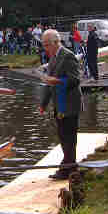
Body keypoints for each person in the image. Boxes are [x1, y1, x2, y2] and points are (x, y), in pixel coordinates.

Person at [39, 29, 82, 180]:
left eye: (47, 45)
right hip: (59, 104)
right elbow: (49, 85)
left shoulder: (68, 56)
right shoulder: (52, 59)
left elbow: (75, 80)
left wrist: (57, 81)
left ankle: (68, 168)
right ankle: (69, 166)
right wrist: (43, 104)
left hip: (70, 104)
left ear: (56, 42)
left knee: (69, 137)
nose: (45, 49)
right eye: (43, 45)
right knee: (63, 136)